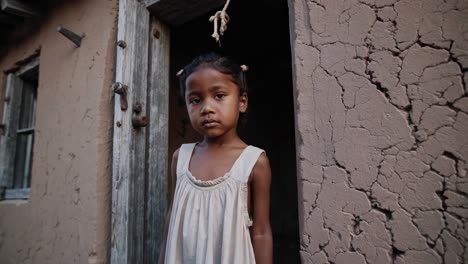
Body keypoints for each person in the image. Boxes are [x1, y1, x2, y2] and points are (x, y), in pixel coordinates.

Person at [158, 52, 273, 264]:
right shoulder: (180, 158)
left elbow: (261, 232)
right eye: (195, 100)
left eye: (219, 96)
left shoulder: (254, 162)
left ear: (242, 102)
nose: (207, 108)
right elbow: (171, 219)